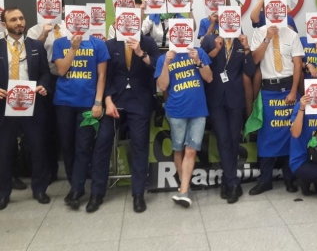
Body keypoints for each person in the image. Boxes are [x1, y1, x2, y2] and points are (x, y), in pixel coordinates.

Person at [91, 34, 161, 213]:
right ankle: (97, 193)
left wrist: (141, 53)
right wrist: (107, 100)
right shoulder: (110, 44)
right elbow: (104, 75)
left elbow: (157, 67)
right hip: (114, 99)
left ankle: (138, 194)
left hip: (139, 100)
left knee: (139, 145)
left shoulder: (148, 42)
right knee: (102, 142)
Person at [0, 7, 51, 210]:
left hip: (32, 104)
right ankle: (3, 193)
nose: (19, 22)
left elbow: (46, 74)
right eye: (13, 19)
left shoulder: (36, 45)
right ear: (5, 24)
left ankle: (39, 189)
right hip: (5, 106)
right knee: (4, 151)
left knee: (38, 148)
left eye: (21, 18)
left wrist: (43, 86)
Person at [52, 31, 110, 209]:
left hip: (87, 104)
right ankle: (75, 184)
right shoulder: (60, 43)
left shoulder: (97, 44)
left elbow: (102, 76)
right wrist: (74, 48)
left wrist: (98, 102)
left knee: (83, 146)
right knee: (67, 146)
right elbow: (61, 70)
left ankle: (76, 190)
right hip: (64, 102)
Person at [248, 23, 304, 195]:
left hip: (288, 89)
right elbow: (255, 60)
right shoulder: (259, 32)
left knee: (290, 134)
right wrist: (267, 39)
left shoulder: (292, 34)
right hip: (268, 90)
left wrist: (294, 90)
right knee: (267, 135)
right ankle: (265, 180)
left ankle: (290, 179)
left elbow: (297, 64)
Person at [201, 34, 255, 204]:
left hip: (236, 99)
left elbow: (250, 71)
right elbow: (202, 64)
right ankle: (233, 184)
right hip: (216, 98)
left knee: (233, 140)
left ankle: (227, 179)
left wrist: (247, 49)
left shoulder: (241, 41)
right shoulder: (210, 40)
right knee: (223, 140)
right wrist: (216, 49)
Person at [155, 46, 213, 208]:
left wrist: (198, 61)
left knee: (191, 150)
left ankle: (183, 191)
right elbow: (162, 86)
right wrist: (166, 63)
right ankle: (184, 187)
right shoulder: (163, 58)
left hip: (198, 110)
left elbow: (209, 78)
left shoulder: (198, 52)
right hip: (176, 111)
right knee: (178, 149)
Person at [27, 2, 68, 183]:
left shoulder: (69, 27)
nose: (52, 12)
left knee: (66, 127)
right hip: (47, 78)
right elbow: (31, 50)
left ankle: (73, 170)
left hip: (69, 78)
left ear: (63, 10)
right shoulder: (34, 30)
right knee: (46, 127)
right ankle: (50, 170)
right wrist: (44, 32)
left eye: (56, 8)